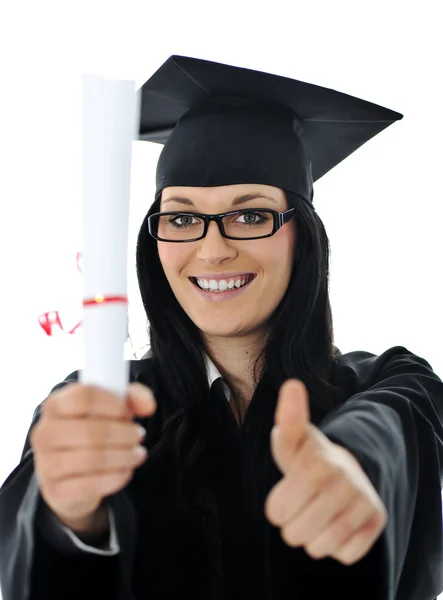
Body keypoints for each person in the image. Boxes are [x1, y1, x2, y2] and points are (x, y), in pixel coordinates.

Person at [1, 55, 442, 600]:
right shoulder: (101, 407)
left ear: (302, 237)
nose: (212, 250)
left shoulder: (390, 382)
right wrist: (69, 518)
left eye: (251, 215)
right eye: (182, 218)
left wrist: (351, 463)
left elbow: (398, 430)